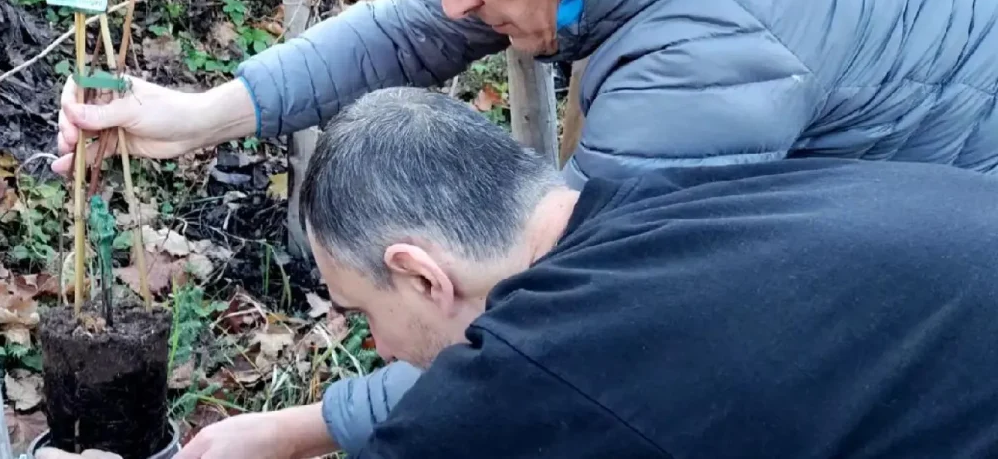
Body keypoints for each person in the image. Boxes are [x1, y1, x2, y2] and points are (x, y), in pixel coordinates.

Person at [52, 0, 998, 453]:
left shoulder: (709, 51)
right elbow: (415, 22)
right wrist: (198, 113)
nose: (452, 0)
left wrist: (303, 429)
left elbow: (579, 336)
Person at [52, 87, 998, 459]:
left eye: (360, 309)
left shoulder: (550, 359)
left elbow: (504, 397)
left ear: (420, 274)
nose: (374, 348)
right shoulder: (661, 213)